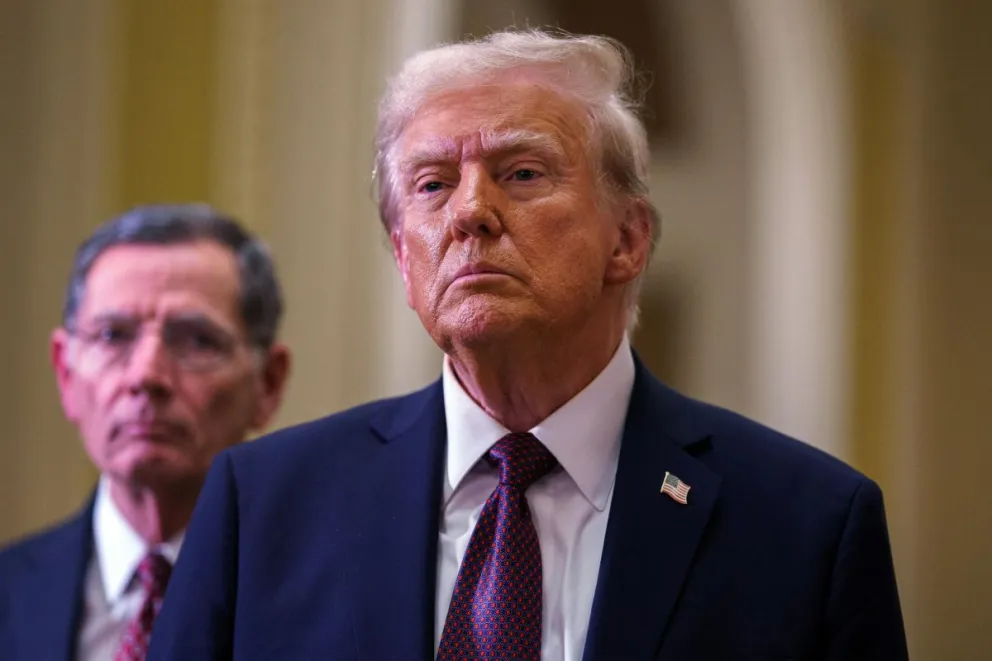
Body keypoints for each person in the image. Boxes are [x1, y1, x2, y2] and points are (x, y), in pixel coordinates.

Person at [148, 30, 908, 661]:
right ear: (404, 260)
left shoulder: (807, 525)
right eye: (432, 185)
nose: (471, 211)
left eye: (521, 172)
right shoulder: (261, 506)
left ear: (627, 239)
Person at [0, 204, 291, 661]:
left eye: (196, 340)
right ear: (65, 373)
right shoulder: (10, 592)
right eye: (113, 336)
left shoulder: (326, 597)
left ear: (268, 383)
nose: (146, 375)